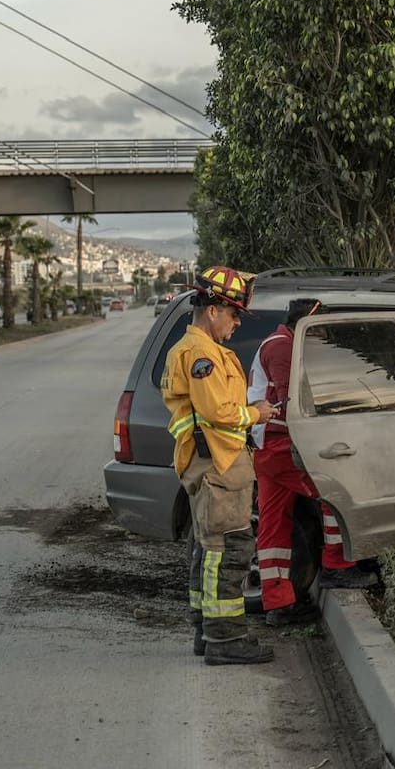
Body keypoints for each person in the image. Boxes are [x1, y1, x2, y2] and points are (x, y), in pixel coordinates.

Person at [161, 265, 280, 665]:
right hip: (218, 463)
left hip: (212, 461)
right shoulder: (201, 354)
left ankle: (206, 631)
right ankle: (225, 639)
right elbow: (219, 411)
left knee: (208, 549)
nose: (236, 323)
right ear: (212, 310)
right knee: (227, 550)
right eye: (233, 314)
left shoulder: (200, 350)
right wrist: (256, 413)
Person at [249, 297, 378, 627]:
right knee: (335, 492)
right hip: (282, 444)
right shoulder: (282, 347)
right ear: (304, 324)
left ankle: (278, 602)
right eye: (319, 329)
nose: (323, 336)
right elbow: (293, 400)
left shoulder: (279, 341)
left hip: (269, 445)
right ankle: (337, 566)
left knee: (273, 525)